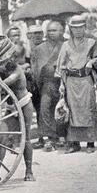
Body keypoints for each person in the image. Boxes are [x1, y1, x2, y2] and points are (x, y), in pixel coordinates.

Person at [0, 49, 36, 182]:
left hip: (24, 105)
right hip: (11, 108)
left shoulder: (17, 70)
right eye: (4, 58)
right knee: (1, 138)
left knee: (25, 138)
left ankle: (29, 172)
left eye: (10, 58)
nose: (8, 61)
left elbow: (4, 83)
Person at [56, 15, 97, 153]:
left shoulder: (92, 43)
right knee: (72, 111)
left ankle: (90, 143)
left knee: (88, 109)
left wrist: (91, 62)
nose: (78, 31)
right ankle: (74, 143)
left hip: (86, 80)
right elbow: (61, 66)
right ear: (70, 29)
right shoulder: (65, 45)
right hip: (71, 81)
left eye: (81, 27)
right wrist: (62, 84)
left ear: (85, 27)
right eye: (75, 28)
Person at [31, 20, 67, 152]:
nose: (51, 33)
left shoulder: (66, 45)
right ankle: (48, 138)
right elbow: (35, 69)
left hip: (63, 83)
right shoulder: (39, 49)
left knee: (61, 110)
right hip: (46, 83)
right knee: (45, 108)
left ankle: (62, 136)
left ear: (61, 31)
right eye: (49, 30)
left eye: (55, 30)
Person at [26, 25, 45, 149]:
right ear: (28, 36)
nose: (37, 35)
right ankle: (41, 138)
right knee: (38, 111)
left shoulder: (47, 47)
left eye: (40, 33)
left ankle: (55, 138)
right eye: (34, 33)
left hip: (47, 83)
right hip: (33, 84)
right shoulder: (28, 50)